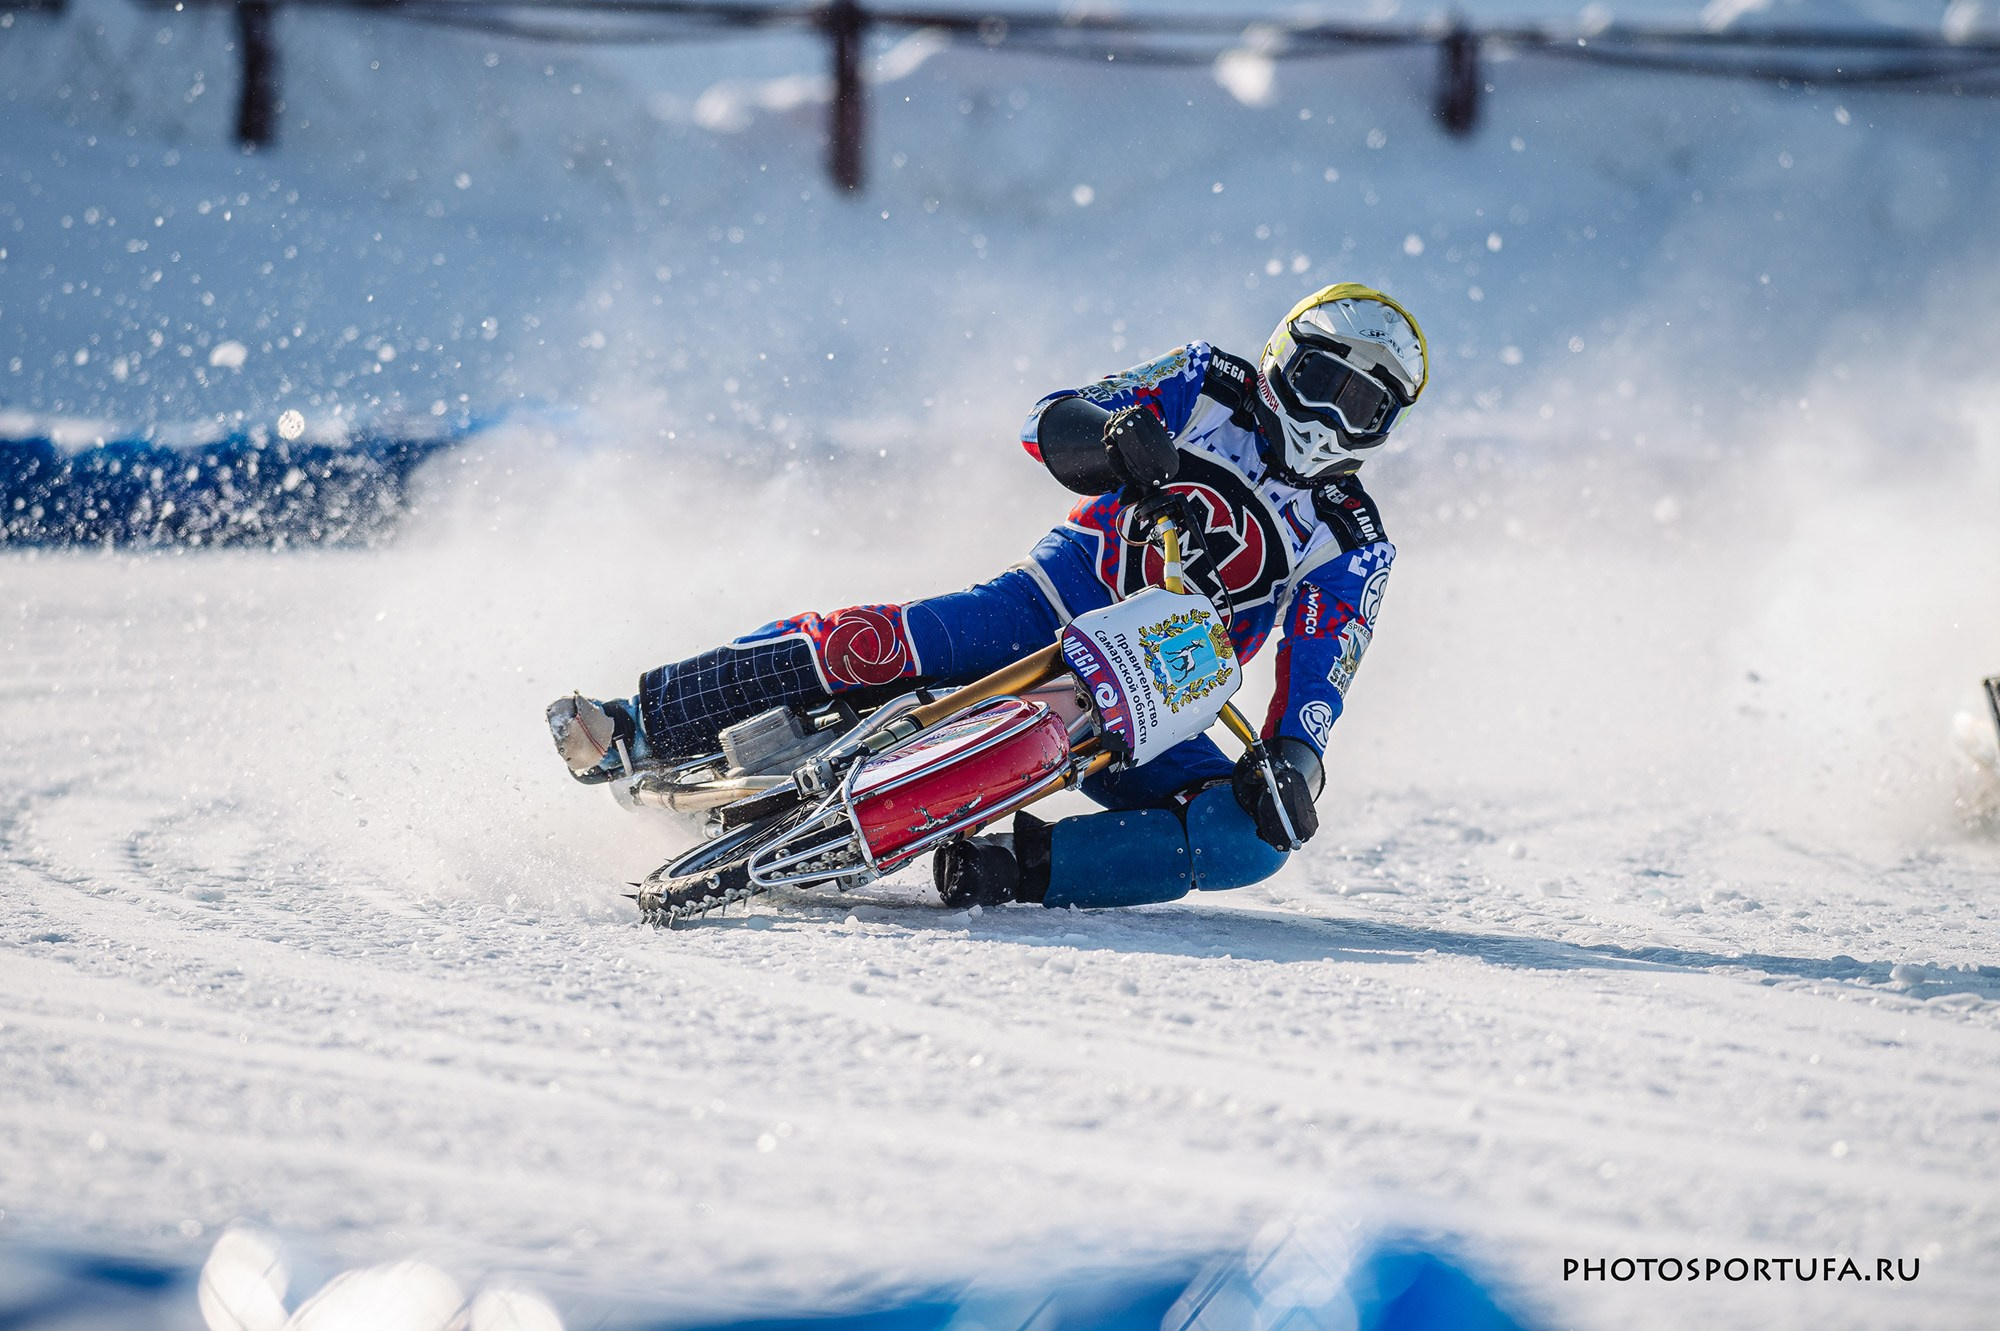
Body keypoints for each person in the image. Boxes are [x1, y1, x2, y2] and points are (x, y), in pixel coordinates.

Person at [549, 284, 1426, 911]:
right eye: (1323, 383)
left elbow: (1319, 684)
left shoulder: (1353, 537)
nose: (1332, 420)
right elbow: (1049, 419)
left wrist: (1293, 767)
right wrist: (1118, 435)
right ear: (1282, 360)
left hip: (1159, 698)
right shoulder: (1207, 382)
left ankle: (1015, 869)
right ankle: (640, 723)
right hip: (1047, 603)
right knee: (877, 644)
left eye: (1366, 410)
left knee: (1256, 838)